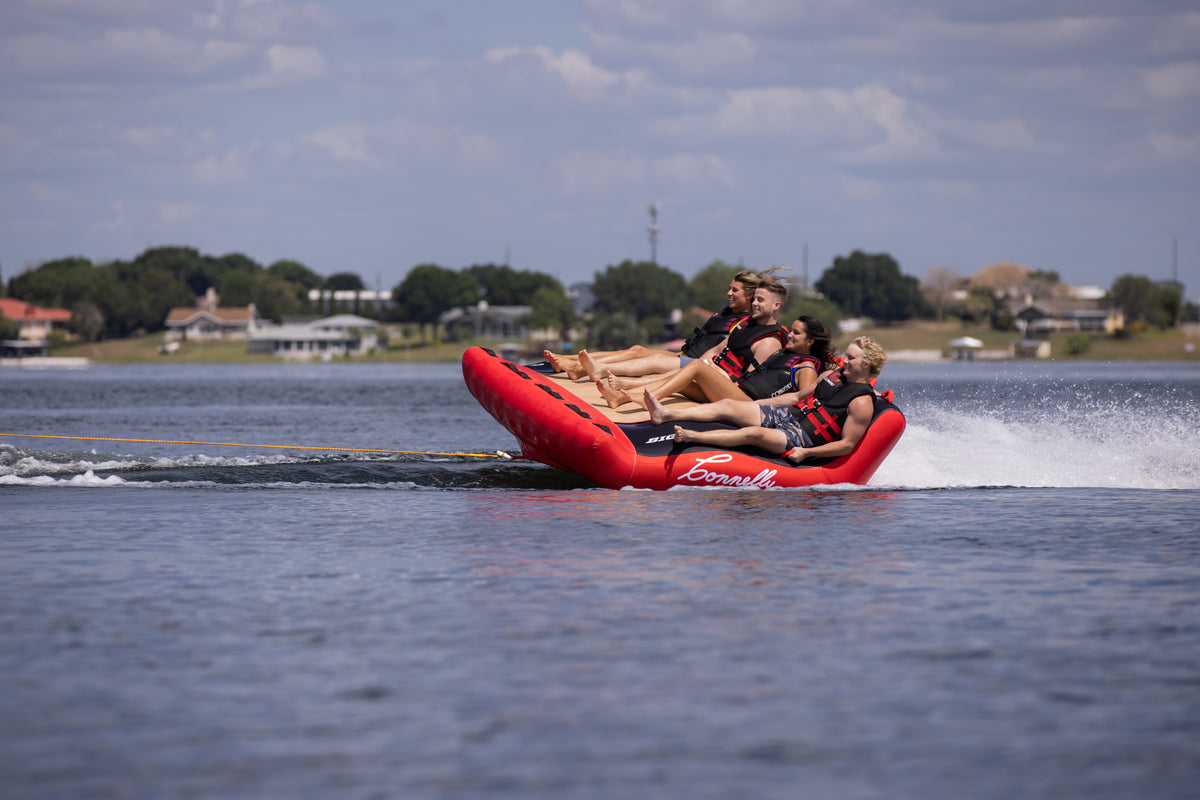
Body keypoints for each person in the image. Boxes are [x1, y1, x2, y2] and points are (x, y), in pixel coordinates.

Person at [643, 336, 888, 465]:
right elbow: (798, 396)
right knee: (727, 406)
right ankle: (666, 414)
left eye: (851, 358)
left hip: (800, 437)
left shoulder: (862, 402)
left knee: (754, 434)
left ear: (865, 365)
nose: (844, 360)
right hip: (787, 416)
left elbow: (847, 444)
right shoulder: (830, 375)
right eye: (846, 355)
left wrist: (805, 452)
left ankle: (691, 437)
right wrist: (758, 405)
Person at [596, 278, 792, 409]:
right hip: (721, 383)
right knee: (683, 377)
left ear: (776, 305)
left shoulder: (769, 342)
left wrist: (715, 373)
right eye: (755, 298)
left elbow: (749, 383)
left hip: (741, 398)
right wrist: (707, 366)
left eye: (761, 300)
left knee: (695, 367)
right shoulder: (746, 324)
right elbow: (716, 350)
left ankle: (646, 399)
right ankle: (621, 396)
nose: (755, 303)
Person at [544, 270, 759, 381]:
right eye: (729, 288)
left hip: (696, 365)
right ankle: (570, 361)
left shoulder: (745, 324)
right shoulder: (726, 313)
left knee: (651, 358)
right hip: (684, 356)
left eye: (735, 290)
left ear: (749, 295)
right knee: (636, 350)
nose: (728, 293)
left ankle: (580, 369)